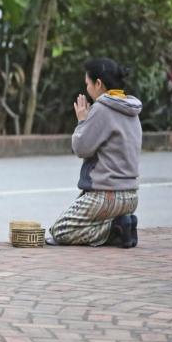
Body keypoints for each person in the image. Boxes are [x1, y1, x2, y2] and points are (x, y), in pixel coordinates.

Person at [48, 58, 141, 248]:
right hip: (131, 197)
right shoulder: (131, 109)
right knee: (79, 222)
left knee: (60, 230)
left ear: (98, 83)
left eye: (88, 83)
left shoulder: (102, 108)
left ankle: (114, 228)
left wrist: (82, 120)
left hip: (107, 196)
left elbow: (81, 148)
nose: (87, 89)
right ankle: (123, 224)